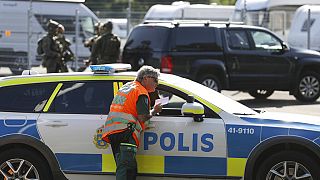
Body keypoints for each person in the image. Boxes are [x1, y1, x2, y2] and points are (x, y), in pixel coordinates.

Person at [102, 65, 162, 180]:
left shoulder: (127, 87)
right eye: (155, 80)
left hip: (114, 133)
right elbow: (143, 118)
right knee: (127, 170)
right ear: (146, 78)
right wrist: (155, 110)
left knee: (125, 167)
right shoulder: (141, 92)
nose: (156, 84)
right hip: (126, 133)